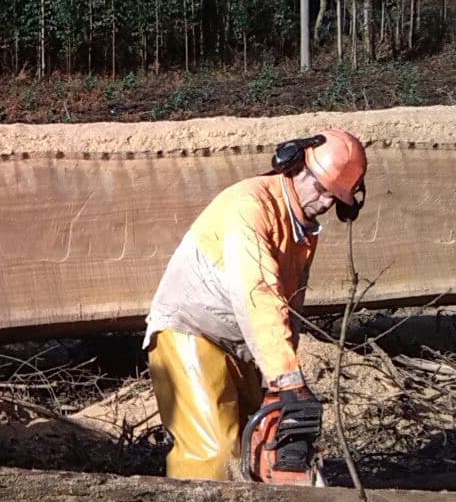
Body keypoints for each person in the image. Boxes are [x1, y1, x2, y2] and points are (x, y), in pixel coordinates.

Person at [143, 128, 367, 482]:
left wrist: (278, 383)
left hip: (240, 344)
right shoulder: (250, 206)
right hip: (190, 330)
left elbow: (287, 307)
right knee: (215, 455)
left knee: (260, 446)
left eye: (334, 197)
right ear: (295, 166)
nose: (325, 203)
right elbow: (258, 292)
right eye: (321, 189)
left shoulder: (300, 228)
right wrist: (287, 380)